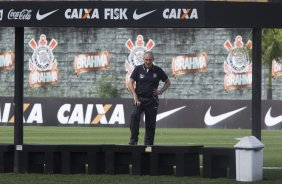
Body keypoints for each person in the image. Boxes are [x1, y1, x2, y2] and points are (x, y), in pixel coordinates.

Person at [128, 51, 171, 145]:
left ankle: (148, 146)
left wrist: (160, 91)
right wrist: (135, 96)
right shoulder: (138, 69)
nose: (147, 62)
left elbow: (168, 82)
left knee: (150, 124)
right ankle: (133, 141)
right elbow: (130, 82)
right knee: (134, 116)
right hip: (139, 99)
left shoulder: (158, 70)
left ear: (153, 60)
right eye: (146, 60)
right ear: (143, 59)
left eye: (149, 60)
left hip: (152, 100)